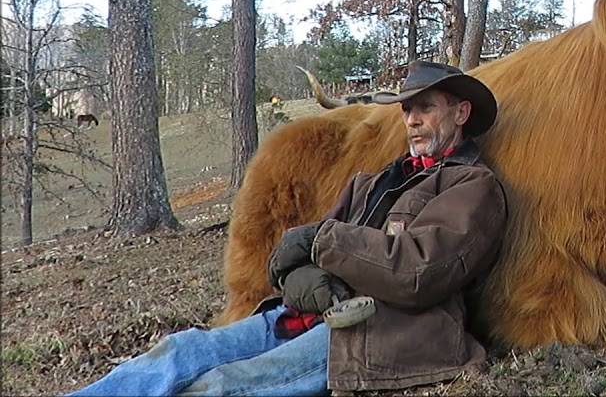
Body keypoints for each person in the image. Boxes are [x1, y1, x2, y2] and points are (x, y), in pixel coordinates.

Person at [69, 60, 507, 396]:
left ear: (461, 112)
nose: (411, 120)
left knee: (219, 386)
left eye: (426, 108)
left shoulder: (471, 186)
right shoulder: (375, 180)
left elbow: (417, 274)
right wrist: (304, 278)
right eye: (408, 109)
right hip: (305, 318)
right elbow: (299, 256)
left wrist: (322, 242)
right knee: (180, 352)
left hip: (374, 334)